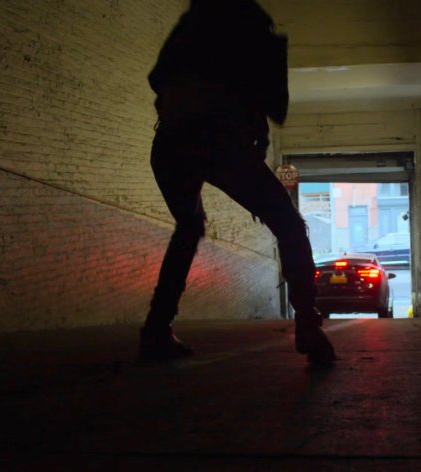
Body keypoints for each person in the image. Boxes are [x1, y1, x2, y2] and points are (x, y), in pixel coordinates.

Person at [139, 0, 336, 366]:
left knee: (188, 226)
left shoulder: (191, 22)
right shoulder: (252, 22)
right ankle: (308, 324)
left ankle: (156, 329)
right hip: (221, 144)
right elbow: (271, 100)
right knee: (289, 224)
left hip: (169, 143)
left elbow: (157, 81)